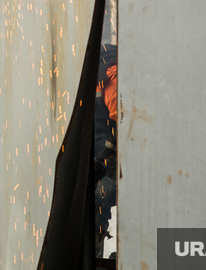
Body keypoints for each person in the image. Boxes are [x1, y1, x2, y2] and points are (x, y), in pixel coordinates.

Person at [93, 43, 117, 258]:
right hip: (98, 155)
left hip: (112, 159)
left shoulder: (111, 74)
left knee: (100, 198)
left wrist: (105, 156)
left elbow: (124, 121)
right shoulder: (99, 73)